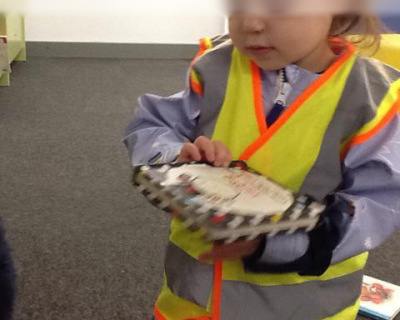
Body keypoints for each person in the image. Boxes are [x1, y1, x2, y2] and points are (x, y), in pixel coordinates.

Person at [124, 1, 400, 319]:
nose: (251, 23)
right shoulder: (216, 65)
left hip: (302, 306)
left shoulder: (371, 99)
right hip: (195, 301)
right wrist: (176, 156)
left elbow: (377, 205)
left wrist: (279, 243)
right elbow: (154, 125)